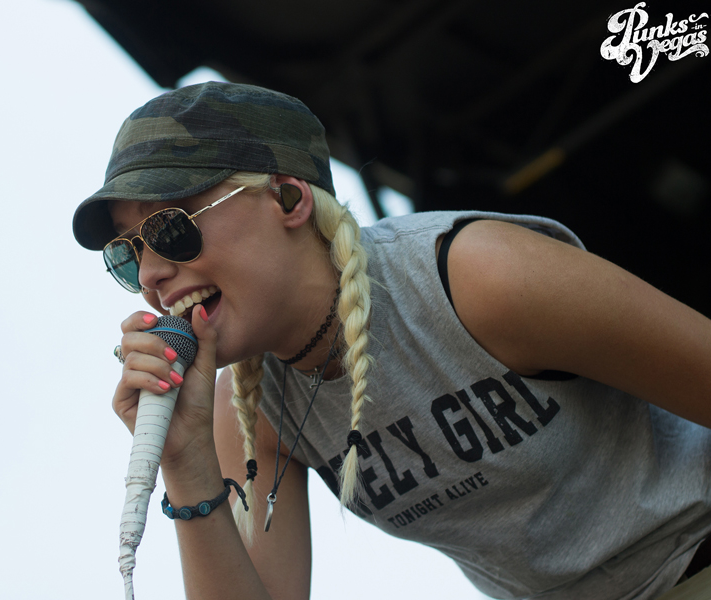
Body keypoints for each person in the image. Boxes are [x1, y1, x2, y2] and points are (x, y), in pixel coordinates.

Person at [71, 82, 711, 600]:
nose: (150, 276)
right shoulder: (249, 413)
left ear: (289, 199)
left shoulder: (475, 278)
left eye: (171, 228)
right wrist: (184, 462)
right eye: (128, 254)